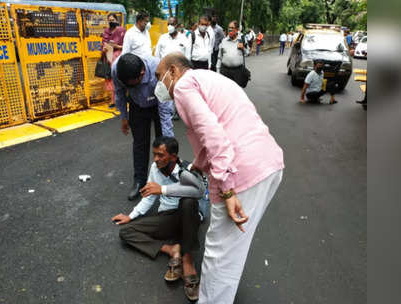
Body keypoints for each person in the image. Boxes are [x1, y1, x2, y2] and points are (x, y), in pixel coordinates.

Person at [154, 53, 284, 304]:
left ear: (173, 71)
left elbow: (213, 134)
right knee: (231, 251)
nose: (159, 84)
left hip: (241, 171)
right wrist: (198, 166)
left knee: (219, 254)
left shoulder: (182, 86)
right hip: (267, 163)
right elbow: (219, 127)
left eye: (160, 76)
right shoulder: (208, 78)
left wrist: (226, 189)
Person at [112, 136, 205, 301]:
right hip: (167, 217)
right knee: (126, 232)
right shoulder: (155, 168)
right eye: (154, 154)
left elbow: (199, 193)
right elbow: (149, 196)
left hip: (189, 216)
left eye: (161, 155)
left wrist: (162, 189)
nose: (156, 159)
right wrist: (131, 216)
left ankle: (187, 260)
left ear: (173, 157)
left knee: (188, 202)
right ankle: (172, 250)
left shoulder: (186, 170)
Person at [112, 53, 174, 201]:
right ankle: (139, 180)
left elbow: (166, 109)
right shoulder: (117, 70)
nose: (132, 87)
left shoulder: (157, 69)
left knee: (163, 144)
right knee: (140, 144)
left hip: (158, 103)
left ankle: (166, 179)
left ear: (142, 73)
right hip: (137, 106)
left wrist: (169, 142)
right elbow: (120, 94)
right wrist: (123, 117)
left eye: (134, 83)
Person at [102, 13, 126, 108]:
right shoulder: (106, 31)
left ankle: (123, 99)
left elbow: (127, 45)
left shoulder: (122, 30)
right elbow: (103, 43)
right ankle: (113, 101)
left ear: (116, 20)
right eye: (109, 20)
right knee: (111, 79)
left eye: (113, 20)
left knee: (121, 78)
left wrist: (117, 46)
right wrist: (105, 48)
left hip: (120, 56)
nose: (111, 22)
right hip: (109, 57)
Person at [216, 21, 246, 86]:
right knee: (224, 91)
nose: (230, 29)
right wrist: (218, 71)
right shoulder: (224, 41)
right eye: (229, 27)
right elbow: (219, 57)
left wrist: (243, 48)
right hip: (225, 71)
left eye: (232, 28)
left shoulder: (242, 40)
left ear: (237, 29)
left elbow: (247, 53)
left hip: (237, 72)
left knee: (235, 92)